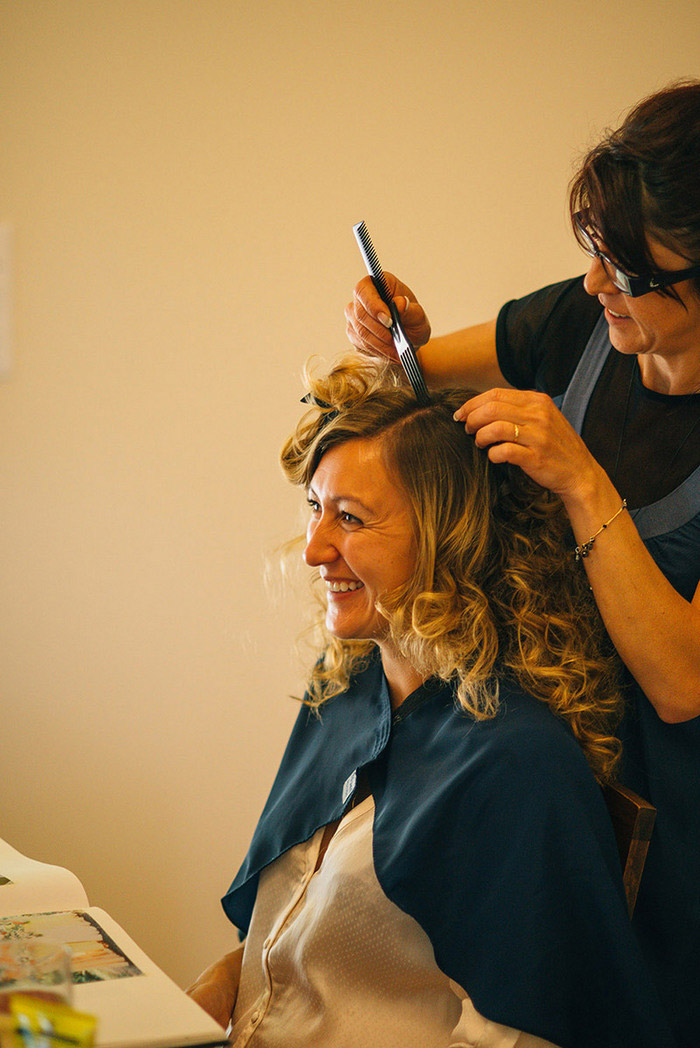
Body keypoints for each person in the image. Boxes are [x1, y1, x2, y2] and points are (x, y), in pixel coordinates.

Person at [345, 80, 700, 1047]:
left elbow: (681, 679)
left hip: (673, 823)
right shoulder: (580, 326)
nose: (594, 286)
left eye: (627, 270)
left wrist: (585, 483)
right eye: (593, 252)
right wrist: (397, 335)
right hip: (539, 778)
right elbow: (414, 380)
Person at [187, 355, 676, 1048]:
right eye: (315, 510)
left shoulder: (517, 763)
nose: (314, 549)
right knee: (37, 1020)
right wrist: (214, 988)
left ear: (450, 536)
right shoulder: (346, 689)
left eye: (350, 518)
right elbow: (302, 934)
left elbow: (524, 1031)